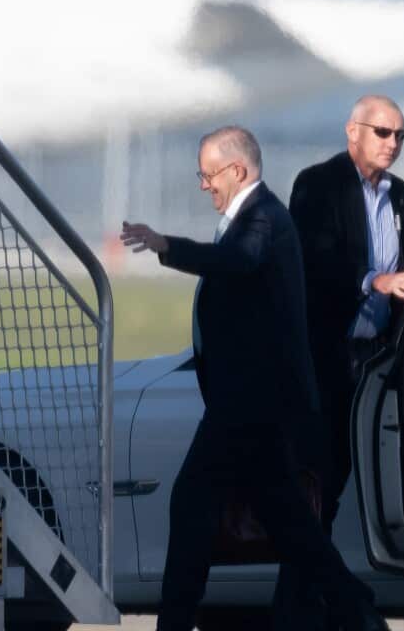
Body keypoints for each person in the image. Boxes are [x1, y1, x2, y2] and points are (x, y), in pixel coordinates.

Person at [120, 126, 387, 631]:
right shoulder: (252, 218)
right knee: (290, 525)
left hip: (252, 408)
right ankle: (357, 610)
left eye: (209, 175)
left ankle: (175, 623)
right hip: (254, 407)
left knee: (193, 504)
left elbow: (237, 260)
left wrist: (166, 245)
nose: (205, 185)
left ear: (237, 170)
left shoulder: (264, 218)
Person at [280, 94, 404, 628]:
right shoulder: (318, 185)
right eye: (382, 133)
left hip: (374, 363)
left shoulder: (402, 198)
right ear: (353, 131)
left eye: (400, 136)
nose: (392, 144)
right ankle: (309, 607)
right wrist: (374, 281)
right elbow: (312, 262)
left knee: (334, 488)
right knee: (315, 489)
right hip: (324, 360)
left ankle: (314, 605)